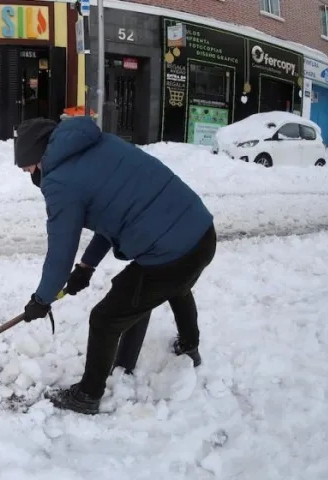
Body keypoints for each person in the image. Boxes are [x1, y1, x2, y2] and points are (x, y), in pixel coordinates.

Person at [14, 116, 216, 415]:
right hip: (200, 233)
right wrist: (87, 266)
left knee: (106, 318)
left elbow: (60, 251)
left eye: (25, 164)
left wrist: (41, 299)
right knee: (170, 287)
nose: (25, 171)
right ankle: (188, 347)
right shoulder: (100, 144)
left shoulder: (60, 182)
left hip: (171, 253)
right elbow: (114, 215)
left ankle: (87, 395)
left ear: (37, 153)